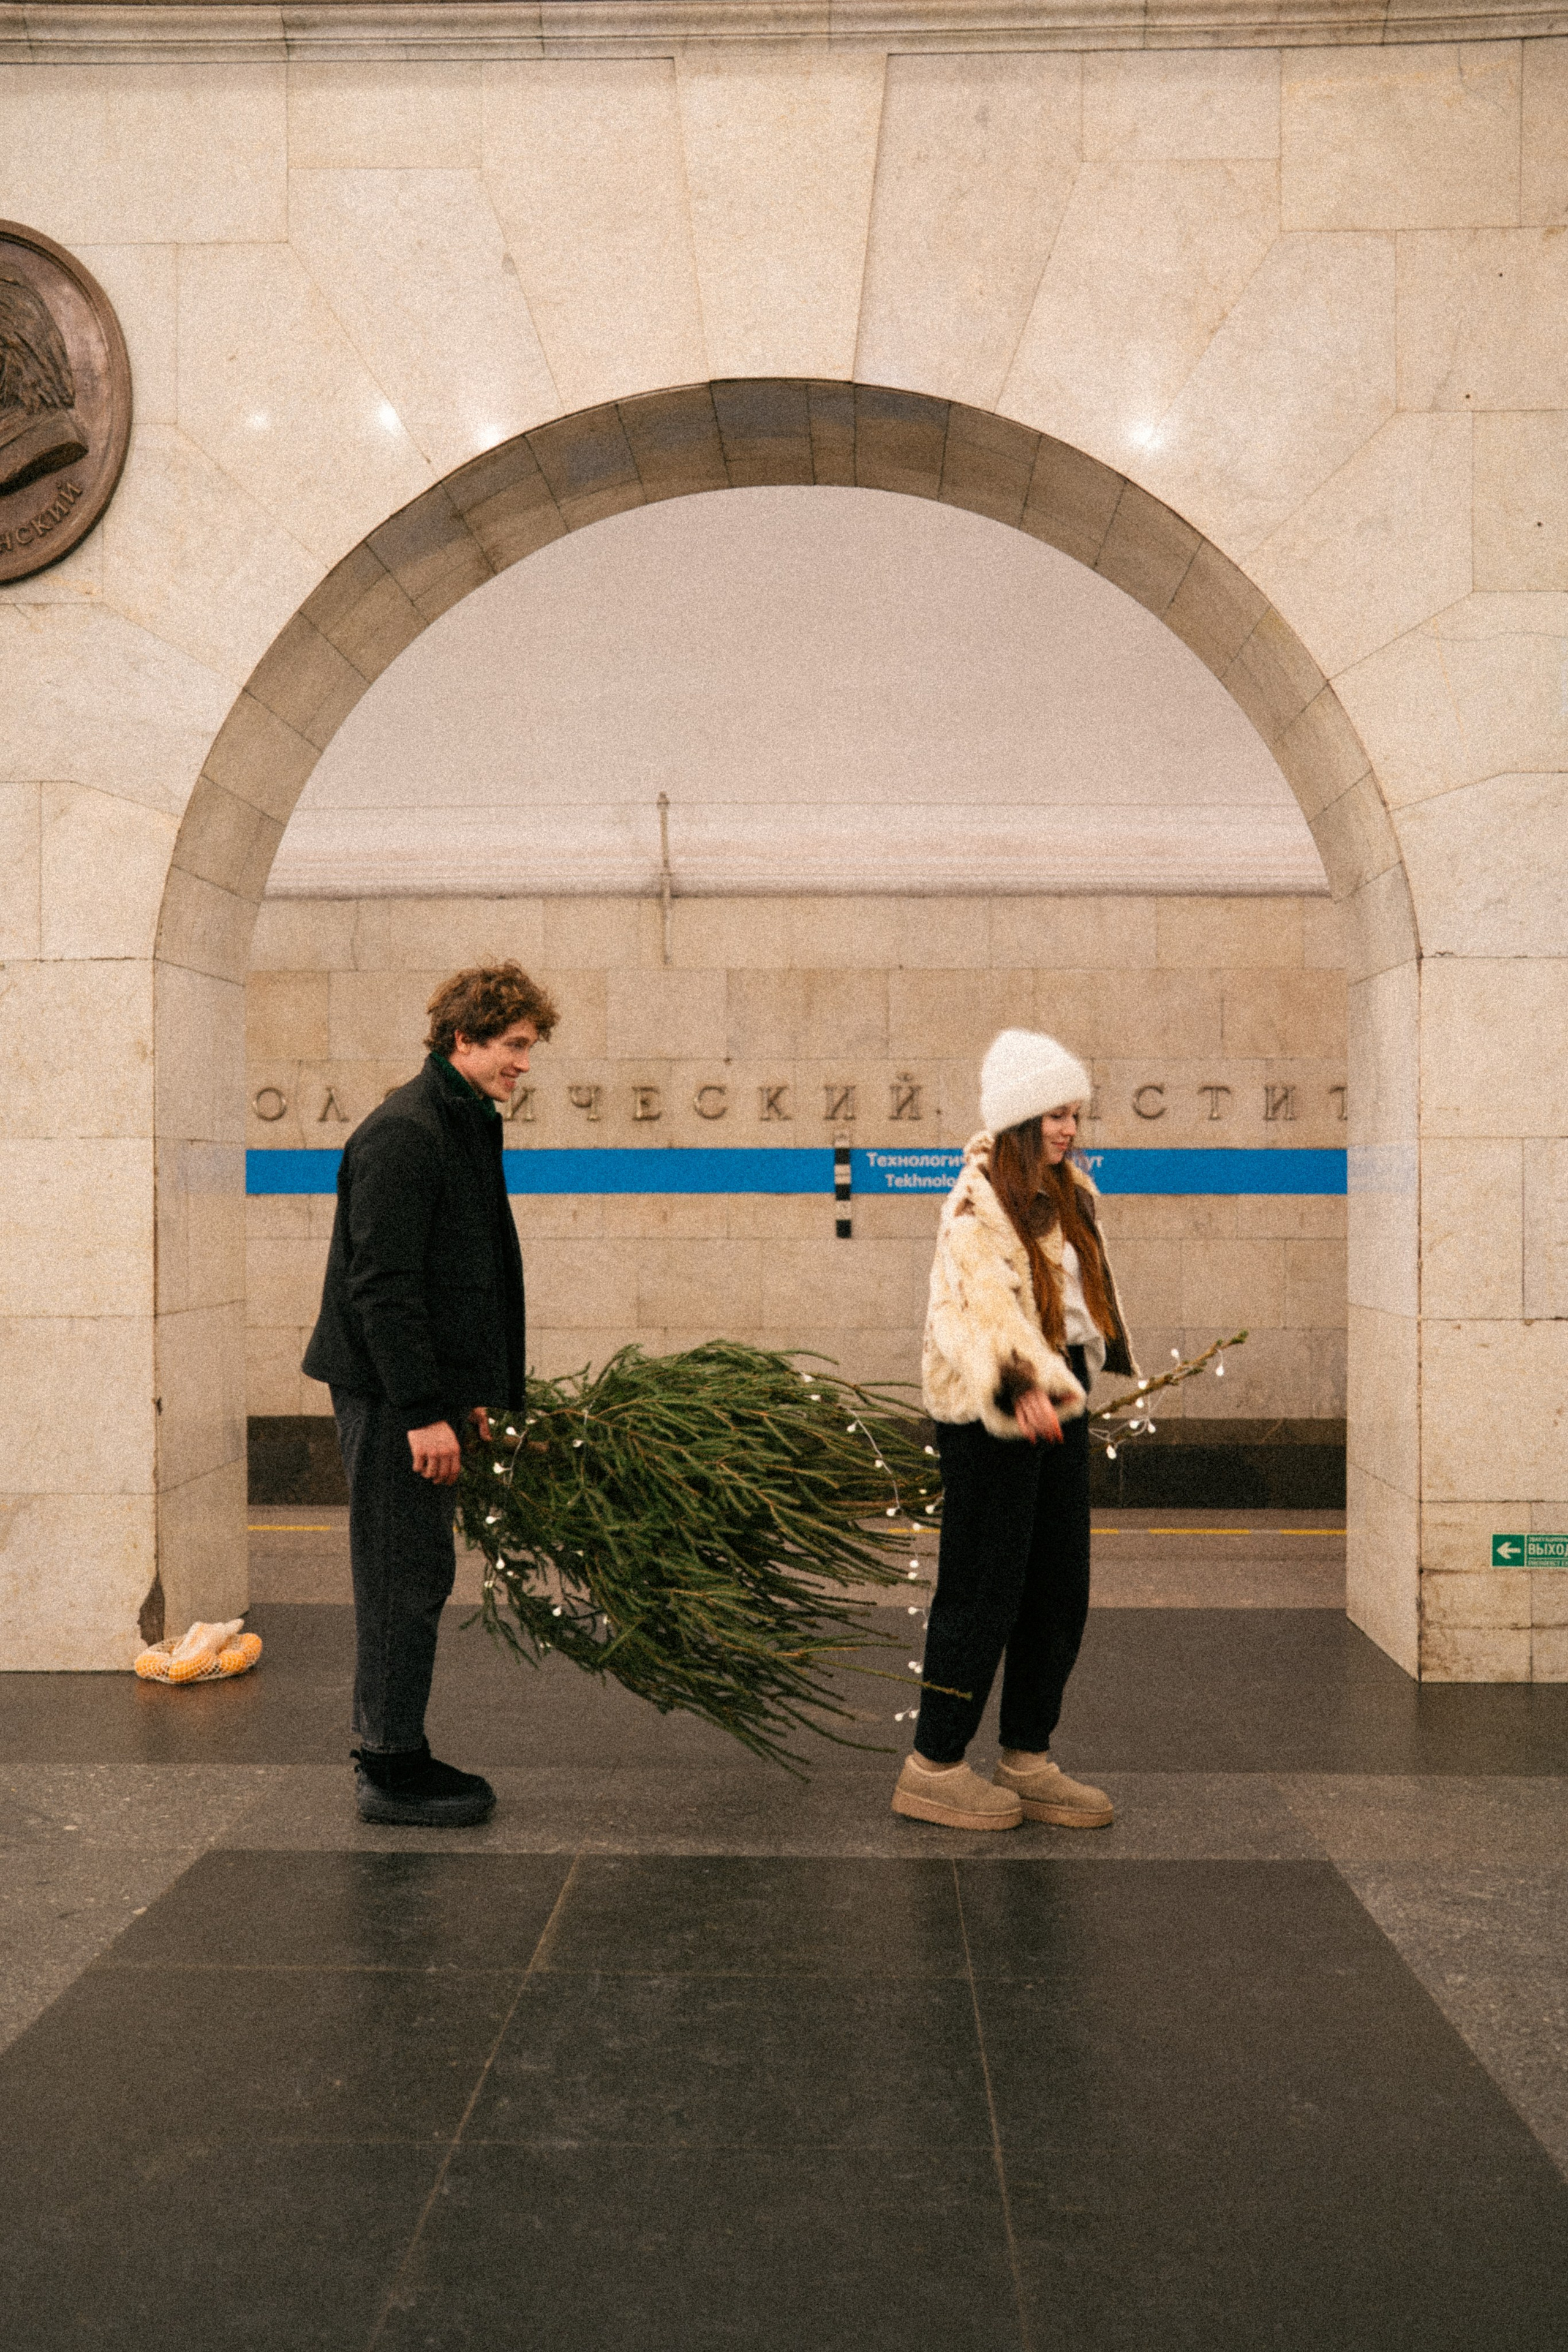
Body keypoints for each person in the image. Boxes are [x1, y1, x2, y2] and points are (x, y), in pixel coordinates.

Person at [303, 962, 558, 1827]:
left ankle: (399, 1746)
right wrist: (420, 1412)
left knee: (418, 1571)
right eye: (514, 1046)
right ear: (465, 1038)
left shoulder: (463, 1122)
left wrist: (475, 1394)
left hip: (425, 1393)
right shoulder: (407, 1133)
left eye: (528, 1048)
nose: (524, 1064)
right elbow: (384, 1288)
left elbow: (469, 1275)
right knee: (397, 1576)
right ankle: (386, 1764)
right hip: (387, 1397)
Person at [892, 1028, 1139, 1834]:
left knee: (1059, 1587)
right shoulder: (977, 1200)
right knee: (983, 1588)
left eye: (1076, 1114)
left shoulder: (1068, 1192)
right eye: (1054, 1115)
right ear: (1018, 1121)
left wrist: (1071, 1368)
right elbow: (977, 1306)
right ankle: (934, 1765)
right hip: (989, 1409)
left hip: (1057, 1395)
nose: (1069, 1129)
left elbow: (1072, 1295)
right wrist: (1020, 1381)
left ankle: (1028, 1758)